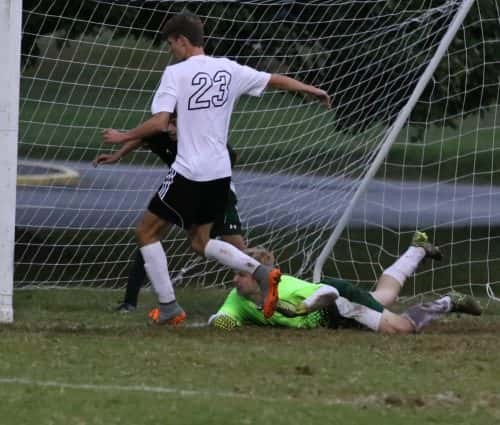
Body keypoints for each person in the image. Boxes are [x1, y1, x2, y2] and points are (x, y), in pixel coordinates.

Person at [102, 12, 331, 324]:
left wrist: (123, 137)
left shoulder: (176, 73)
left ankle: (169, 307)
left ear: (182, 41)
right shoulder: (229, 69)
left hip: (189, 171)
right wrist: (310, 89)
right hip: (220, 175)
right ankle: (263, 273)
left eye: (171, 44)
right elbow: (272, 79)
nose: (171, 50)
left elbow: (159, 121)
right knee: (200, 242)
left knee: (145, 232)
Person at [94, 115, 246, 312]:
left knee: (233, 246)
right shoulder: (158, 131)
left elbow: (231, 156)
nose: (172, 128)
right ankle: (131, 301)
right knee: (148, 237)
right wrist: (117, 156)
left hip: (216, 191)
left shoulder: (201, 134)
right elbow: (141, 137)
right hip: (182, 190)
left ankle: (264, 282)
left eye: (177, 123)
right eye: (170, 123)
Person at [209, 232, 483, 333]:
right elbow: (222, 318)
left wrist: (304, 307)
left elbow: (328, 292)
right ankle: (417, 249)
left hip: (340, 300)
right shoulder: (238, 297)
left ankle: (448, 301)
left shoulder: (287, 285)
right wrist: (222, 322)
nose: (235, 279)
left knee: (399, 328)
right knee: (385, 294)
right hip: (333, 320)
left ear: (260, 276)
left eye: (241, 273)